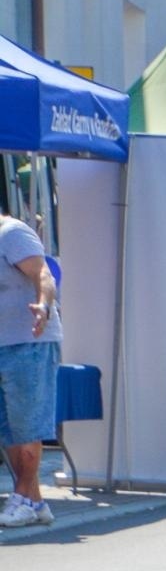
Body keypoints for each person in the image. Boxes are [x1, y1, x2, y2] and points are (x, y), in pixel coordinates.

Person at [0, 207, 62, 527]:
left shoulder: (12, 233)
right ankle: (35, 501)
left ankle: (22, 497)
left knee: (28, 425)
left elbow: (43, 274)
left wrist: (44, 305)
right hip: (3, 344)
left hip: (29, 342)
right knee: (9, 428)